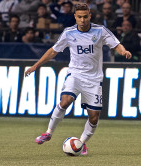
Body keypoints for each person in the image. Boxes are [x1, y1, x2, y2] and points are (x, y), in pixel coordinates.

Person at [25, 3, 132, 155]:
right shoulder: (68, 33)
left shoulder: (100, 31)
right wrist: (35, 66)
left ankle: (81, 143)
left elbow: (116, 44)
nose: (82, 20)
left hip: (94, 79)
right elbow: (52, 51)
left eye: (85, 17)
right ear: (75, 17)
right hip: (75, 74)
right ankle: (48, 132)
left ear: (90, 16)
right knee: (65, 101)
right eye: (79, 17)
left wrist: (124, 51)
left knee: (94, 118)